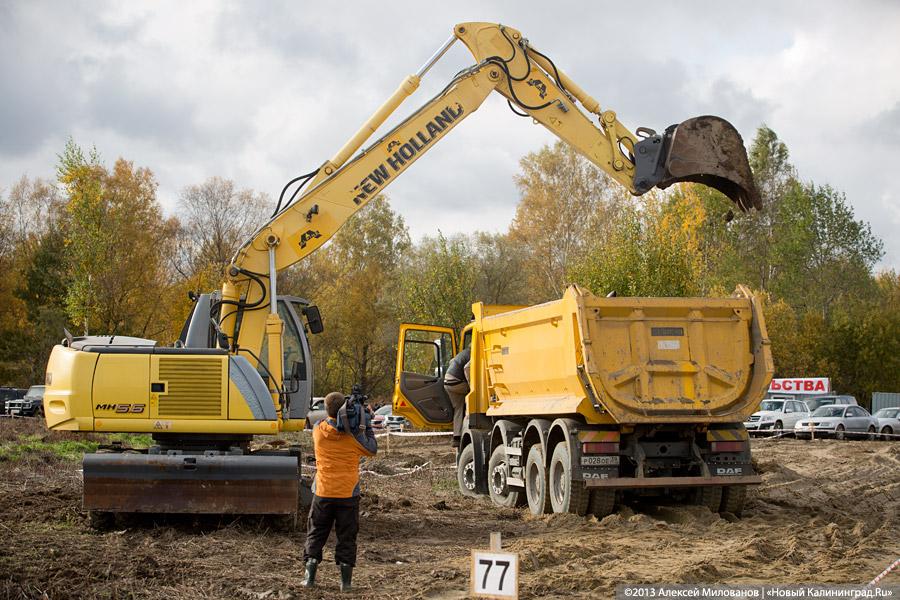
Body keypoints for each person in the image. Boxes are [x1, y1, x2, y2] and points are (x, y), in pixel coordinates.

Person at [302, 390, 377, 592]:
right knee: (347, 537)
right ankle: (346, 583)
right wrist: (366, 425)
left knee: (316, 533)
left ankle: (309, 578)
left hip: (323, 492)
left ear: (326, 410)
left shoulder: (318, 430)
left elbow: (331, 422)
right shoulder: (354, 438)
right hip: (347, 493)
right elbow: (372, 449)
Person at [443, 347, 471, 448]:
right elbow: (467, 367)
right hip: (456, 382)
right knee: (475, 394)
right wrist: (471, 385)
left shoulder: (463, 353)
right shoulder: (473, 352)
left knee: (458, 408)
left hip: (447, 382)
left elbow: (451, 361)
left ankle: (457, 437)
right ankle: (470, 424)